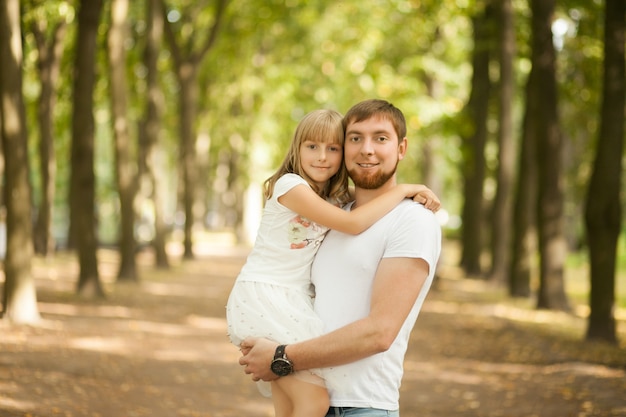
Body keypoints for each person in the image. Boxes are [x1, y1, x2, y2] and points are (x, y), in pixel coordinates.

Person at [226, 108, 440, 417]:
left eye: (380, 138)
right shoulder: (296, 189)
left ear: (401, 148)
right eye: (355, 139)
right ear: (296, 148)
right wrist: (405, 189)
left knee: (301, 406)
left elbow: (380, 332)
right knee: (307, 405)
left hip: (364, 404)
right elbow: (353, 220)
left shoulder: (408, 220)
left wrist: (281, 356)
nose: (322, 156)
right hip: (271, 298)